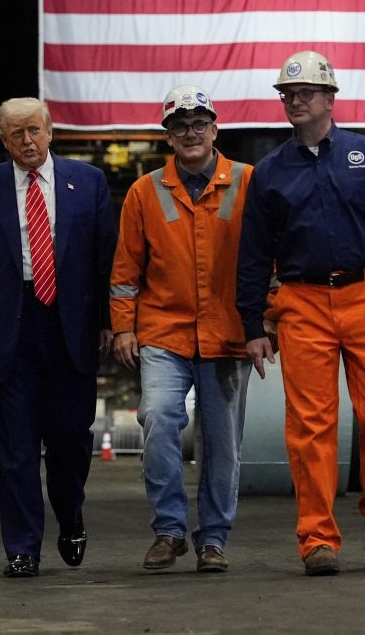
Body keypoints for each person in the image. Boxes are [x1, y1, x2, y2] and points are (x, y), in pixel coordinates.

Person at [236, 51, 365, 577]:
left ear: (329, 98)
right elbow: (253, 254)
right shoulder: (270, 174)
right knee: (311, 426)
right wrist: (254, 324)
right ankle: (317, 538)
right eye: (287, 95)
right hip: (302, 302)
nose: (294, 102)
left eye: (304, 94)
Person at [0, 97, 115, 578]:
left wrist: (111, 320)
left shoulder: (89, 183)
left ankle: (70, 514)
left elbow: (107, 261)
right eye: (16, 133)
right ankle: (22, 547)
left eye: (35, 131)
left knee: (69, 439)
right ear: (3, 140)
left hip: (72, 326)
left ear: (50, 132)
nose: (28, 141)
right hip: (8, 329)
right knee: (14, 449)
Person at [110, 85, 253, 573]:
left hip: (228, 334)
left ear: (215, 129)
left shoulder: (248, 182)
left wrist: (266, 321)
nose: (189, 133)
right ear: (167, 137)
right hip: (163, 333)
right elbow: (126, 269)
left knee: (222, 442)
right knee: (158, 418)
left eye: (198, 124)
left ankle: (213, 539)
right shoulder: (144, 192)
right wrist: (123, 328)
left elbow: (268, 261)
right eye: (179, 126)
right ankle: (170, 530)